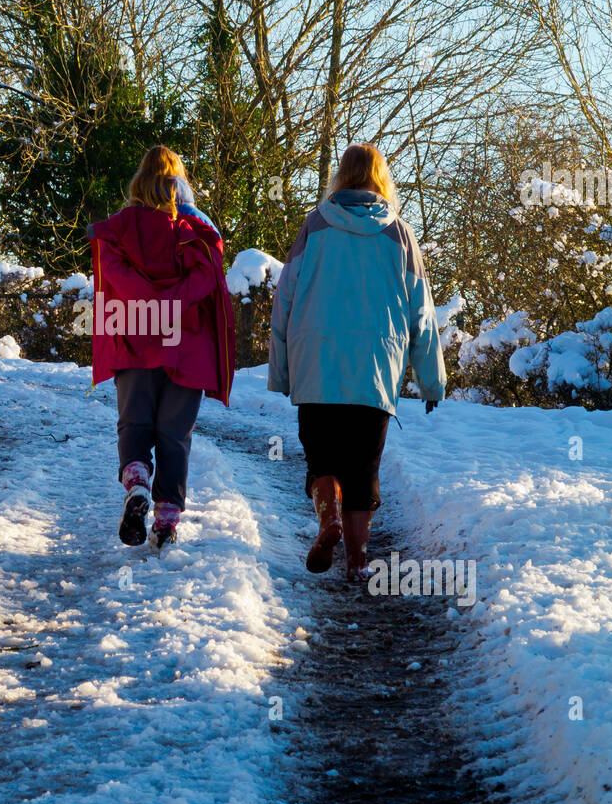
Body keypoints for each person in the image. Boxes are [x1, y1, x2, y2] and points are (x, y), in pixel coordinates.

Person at [268, 143, 445, 581]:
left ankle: (327, 520)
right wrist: (432, 382)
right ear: (380, 179)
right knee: (363, 470)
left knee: (322, 460)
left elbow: (284, 300)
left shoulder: (314, 226)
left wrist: (282, 370)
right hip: (375, 371)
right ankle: (358, 560)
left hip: (317, 366)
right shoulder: (400, 234)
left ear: (340, 178)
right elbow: (421, 313)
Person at [88, 145, 235, 549]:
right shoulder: (196, 230)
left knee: (134, 423)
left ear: (139, 181)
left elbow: (115, 277)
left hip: (134, 337)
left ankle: (137, 484)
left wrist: (148, 303)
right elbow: (208, 280)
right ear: (179, 183)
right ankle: (166, 520)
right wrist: (172, 301)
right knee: (174, 434)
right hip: (186, 345)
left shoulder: (116, 230)